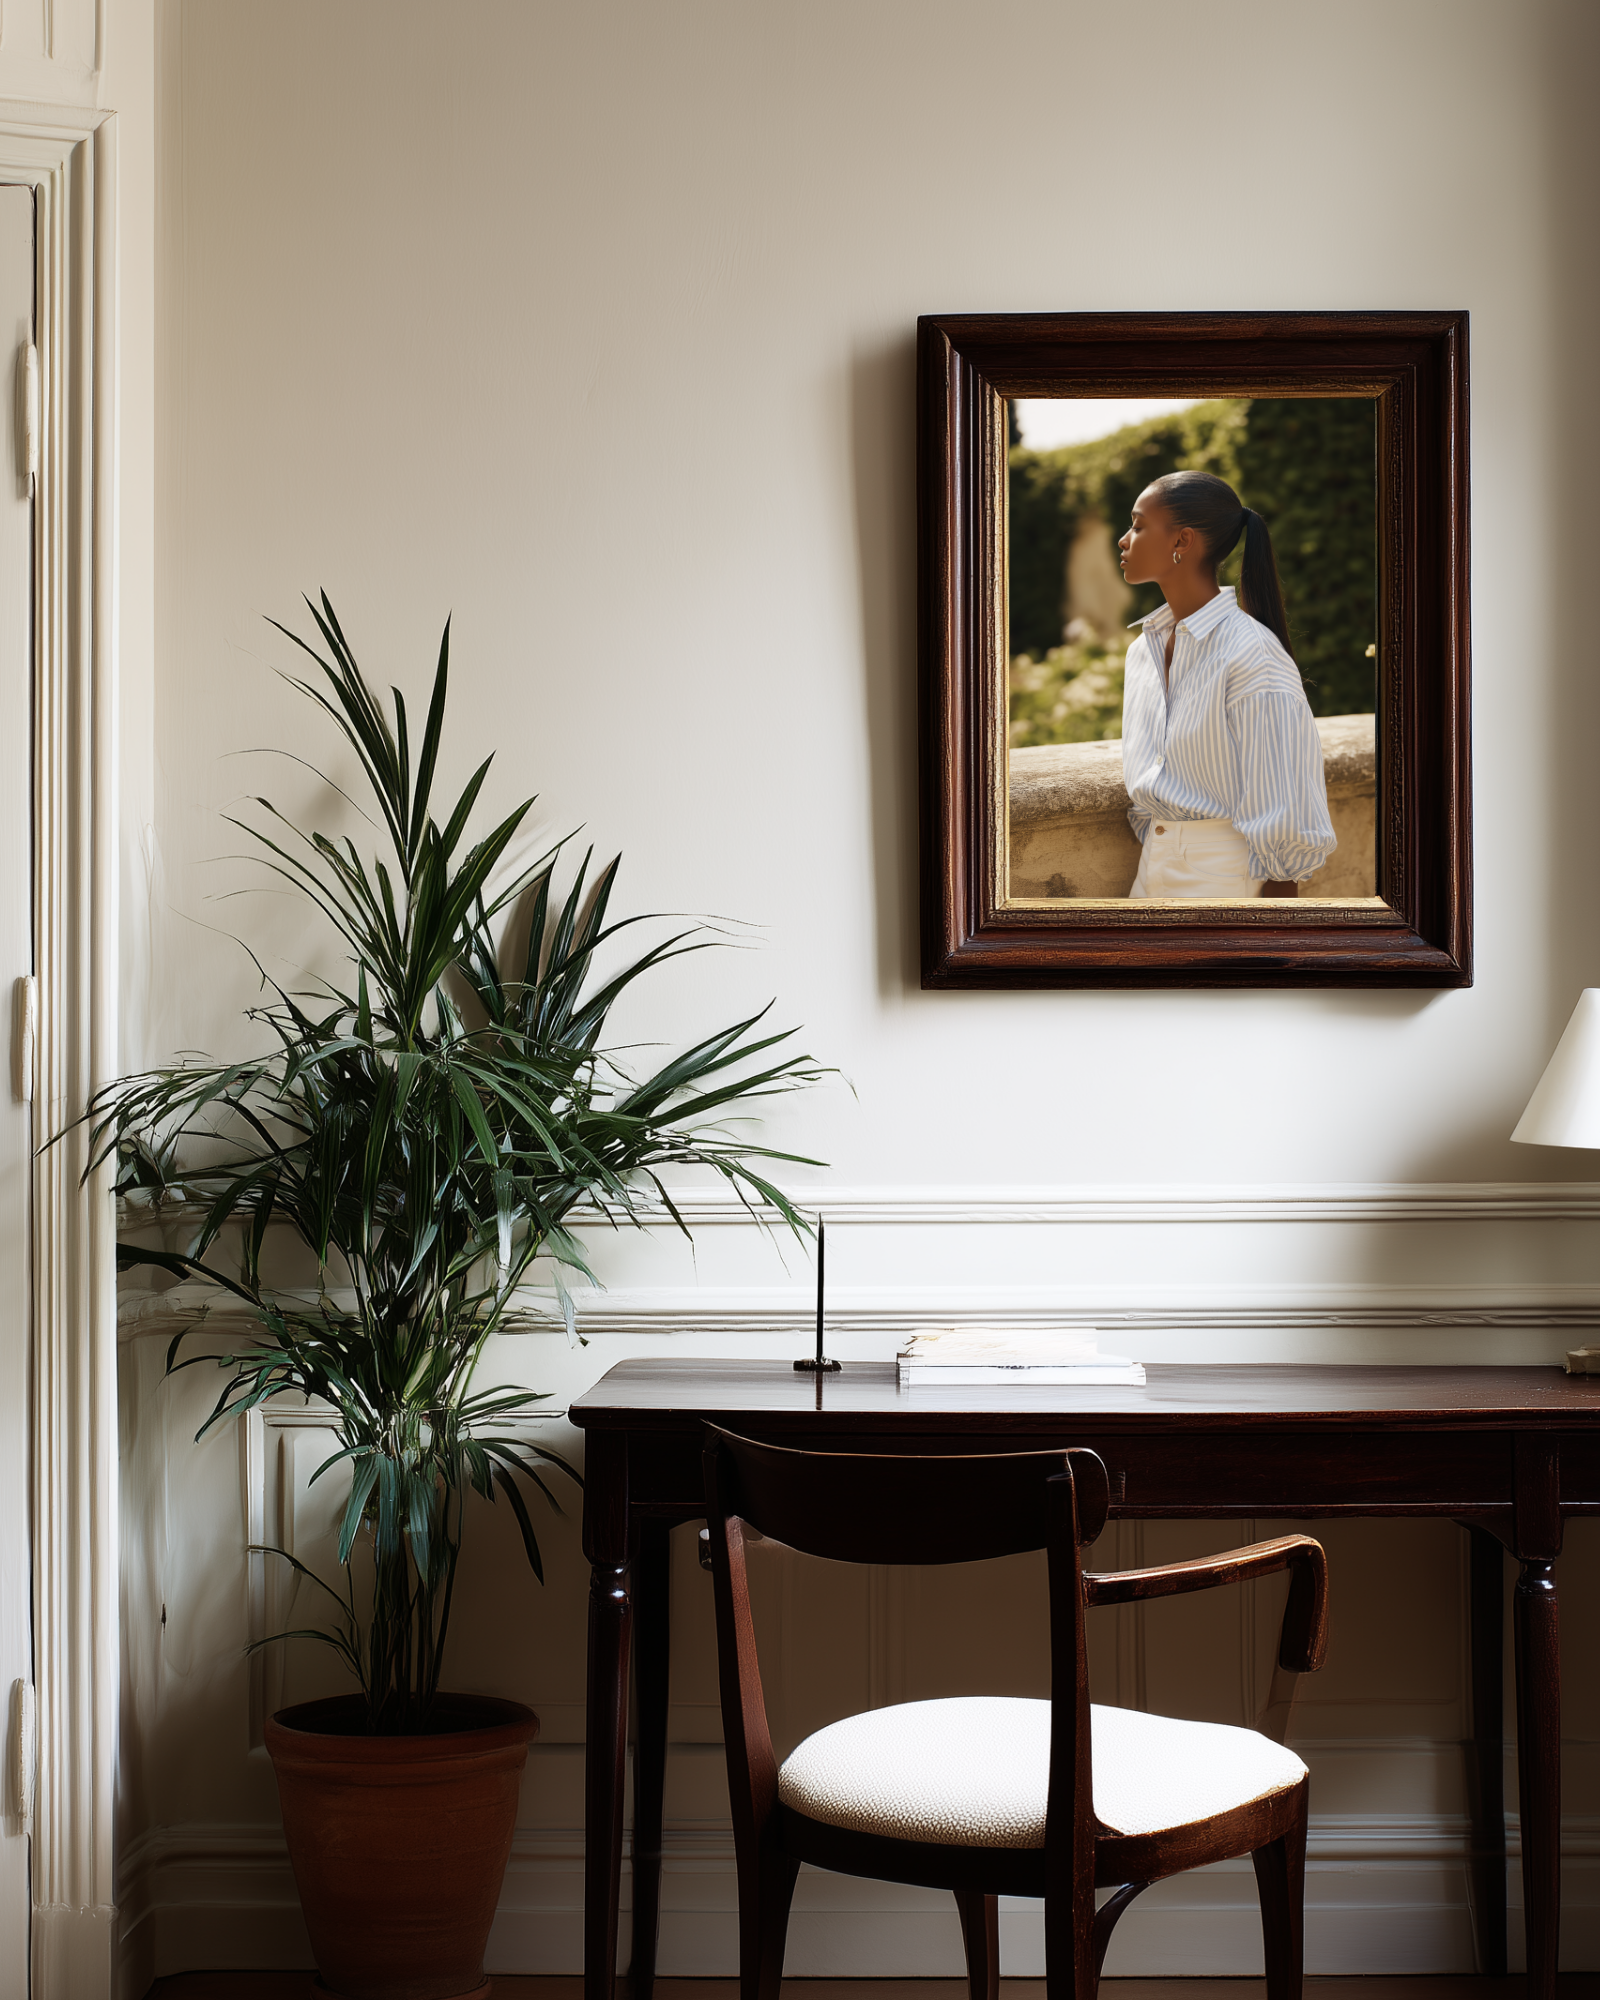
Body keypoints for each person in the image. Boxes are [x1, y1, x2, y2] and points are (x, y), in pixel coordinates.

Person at [1116, 470, 1334, 900]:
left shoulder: (1252, 652)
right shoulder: (1143, 650)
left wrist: (1277, 918)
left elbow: (1284, 793)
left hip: (1227, 876)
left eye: (1138, 527)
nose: (1124, 540)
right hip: (1150, 868)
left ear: (1182, 541)